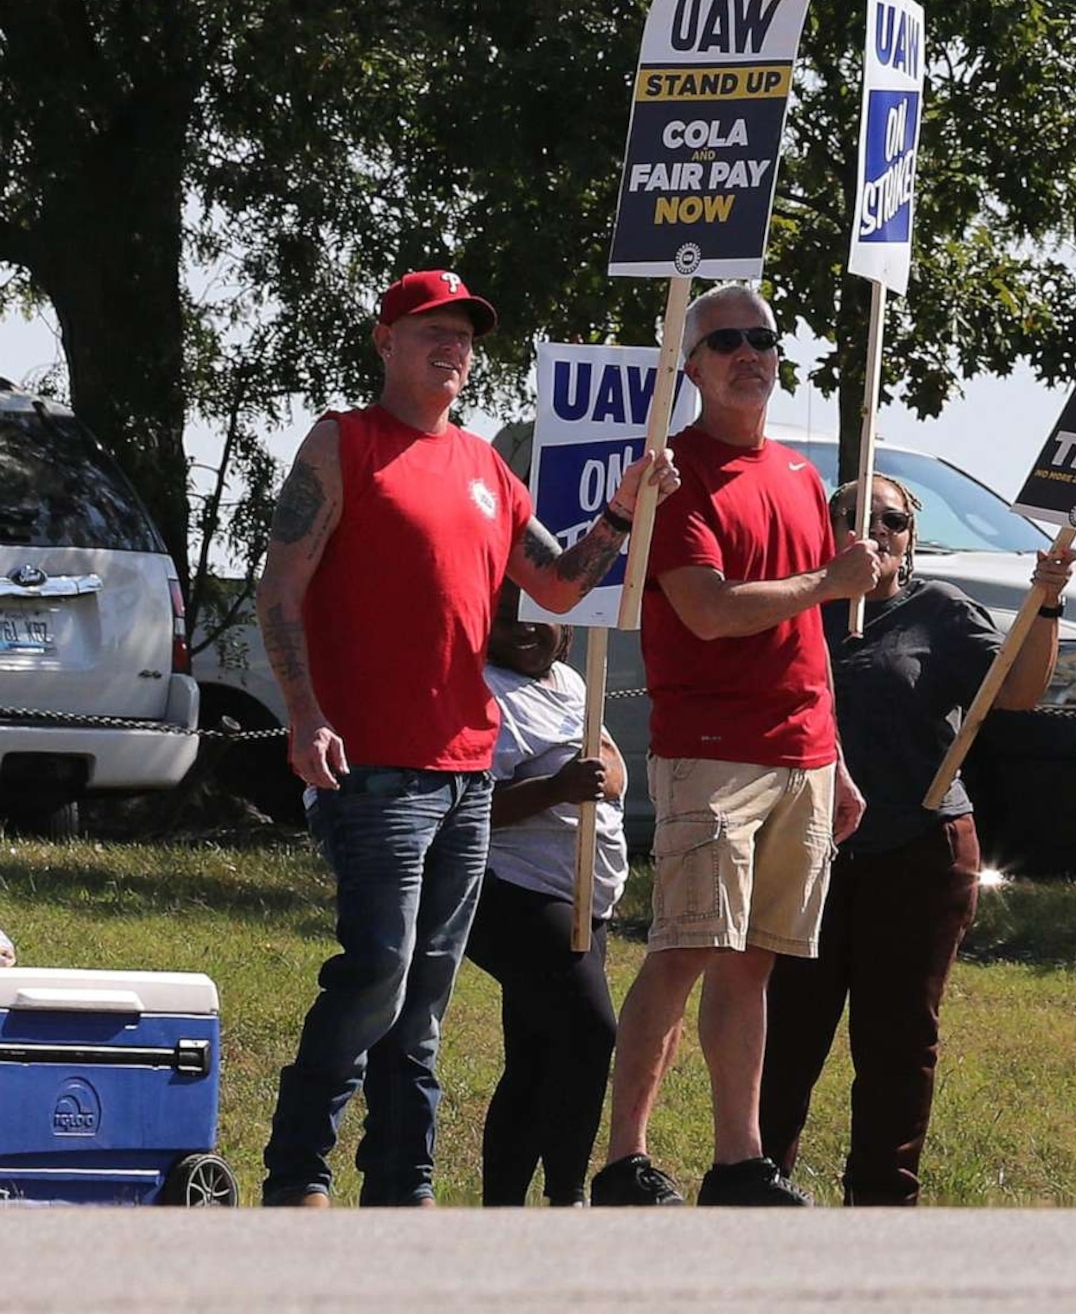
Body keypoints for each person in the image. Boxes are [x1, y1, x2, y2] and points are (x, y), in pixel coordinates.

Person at [254, 268, 674, 1210]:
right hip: (371, 770)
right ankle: (297, 1177)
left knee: (426, 1008)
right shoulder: (344, 441)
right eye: (430, 328)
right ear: (385, 339)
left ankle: (401, 1191)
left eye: (465, 334)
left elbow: (560, 586)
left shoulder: (487, 468)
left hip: (466, 776)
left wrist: (619, 509)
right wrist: (306, 711)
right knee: (378, 972)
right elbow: (279, 588)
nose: (452, 345)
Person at [594, 284, 877, 1209]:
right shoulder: (674, 475)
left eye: (763, 338)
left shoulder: (798, 474)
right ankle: (623, 1158)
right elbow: (709, 612)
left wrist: (833, 755)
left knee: (753, 959)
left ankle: (738, 1159)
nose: (749, 354)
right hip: (711, 747)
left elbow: (809, 641)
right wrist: (829, 579)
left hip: (801, 751)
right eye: (725, 343)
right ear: (692, 367)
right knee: (681, 948)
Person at [758, 473, 1076, 1204]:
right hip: (804, 853)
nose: (875, 530)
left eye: (892, 519)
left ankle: (881, 1203)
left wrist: (1048, 601)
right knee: (786, 1037)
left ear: (911, 533)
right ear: (825, 526)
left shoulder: (938, 611)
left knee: (898, 1043)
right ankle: (758, 1183)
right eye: (853, 515)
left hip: (918, 852)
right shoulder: (796, 605)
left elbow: (1019, 690)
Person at [465, 577, 627, 1207]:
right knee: (590, 1032)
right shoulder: (484, 690)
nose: (527, 630)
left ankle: (503, 1207)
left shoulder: (571, 682)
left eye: (539, 615)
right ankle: (566, 1196)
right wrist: (558, 789)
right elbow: (472, 811)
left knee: (536, 1053)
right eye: (507, 619)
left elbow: (610, 765)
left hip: (588, 894)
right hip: (518, 892)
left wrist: (599, 772)